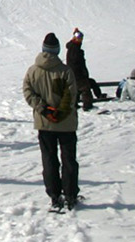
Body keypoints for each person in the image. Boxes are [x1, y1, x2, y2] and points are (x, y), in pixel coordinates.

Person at [22, 32, 79, 211]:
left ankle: (54, 195)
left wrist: (44, 110)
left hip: (44, 123)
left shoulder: (33, 71)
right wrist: (59, 112)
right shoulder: (65, 71)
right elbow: (70, 96)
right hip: (66, 123)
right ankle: (70, 194)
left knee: (49, 159)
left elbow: (28, 92)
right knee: (68, 159)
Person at [64, 28, 109, 110]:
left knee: (89, 84)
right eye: (79, 37)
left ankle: (98, 96)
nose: (81, 39)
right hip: (78, 74)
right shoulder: (75, 49)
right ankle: (87, 106)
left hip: (75, 75)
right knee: (85, 89)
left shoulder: (73, 47)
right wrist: (83, 73)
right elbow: (76, 63)